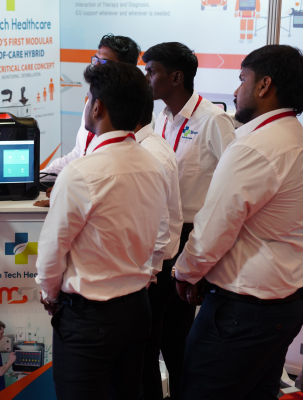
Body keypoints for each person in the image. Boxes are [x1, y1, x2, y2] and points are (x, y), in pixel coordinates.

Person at [175, 45, 303, 400]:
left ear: (264, 85)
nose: (236, 90)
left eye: (243, 80)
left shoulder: (255, 147)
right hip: (284, 300)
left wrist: (185, 272)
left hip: (245, 310)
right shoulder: (293, 135)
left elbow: (213, 229)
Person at [36, 61, 171, 399]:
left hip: (89, 317)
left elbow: (52, 252)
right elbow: (162, 236)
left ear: (97, 107)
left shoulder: (81, 173)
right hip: (136, 310)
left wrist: (50, 295)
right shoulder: (154, 165)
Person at [142, 42, 235, 398]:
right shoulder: (161, 118)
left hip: (190, 237)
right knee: (160, 337)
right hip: (160, 233)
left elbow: (233, 186)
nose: (146, 79)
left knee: (172, 337)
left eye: (152, 71)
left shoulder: (213, 120)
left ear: (176, 77)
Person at [35, 33, 148, 207]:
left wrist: (68, 194)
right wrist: (39, 177)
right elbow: (79, 153)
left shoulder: (136, 115)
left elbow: (120, 174)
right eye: (95, 60)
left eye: (103, 62)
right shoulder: (92, 101)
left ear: (125, 69)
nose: (96, 67)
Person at [134, 90, 183, 400]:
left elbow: (161, 226)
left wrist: (148, 274)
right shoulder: (147, 146)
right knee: (144, 357)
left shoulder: (150, 153)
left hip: (153, 274)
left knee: (144, 358)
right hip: (153, 271)